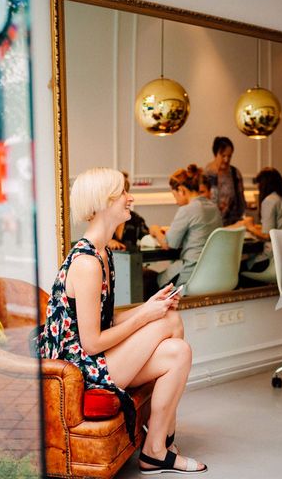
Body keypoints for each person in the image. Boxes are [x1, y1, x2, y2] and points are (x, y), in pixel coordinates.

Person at [36, 168, 207, 474]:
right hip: (78, 368)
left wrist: (151, 306)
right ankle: (160, 442)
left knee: (177, 347)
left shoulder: (102, 254)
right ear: (103, 202)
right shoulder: (87, 263)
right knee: (168, 322)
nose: (131, 198)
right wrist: (146, 314)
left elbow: (104, 318)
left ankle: (157, 446)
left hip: (91, 357)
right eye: (123, 193)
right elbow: (91, 342)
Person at [148, 164, 223, 288]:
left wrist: (155, 230)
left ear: (181, 190)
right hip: (213, 274)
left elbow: (169, 244)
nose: (175, 201)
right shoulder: (214, 208)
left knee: (147, 279)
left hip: (191, 274)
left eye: (175, 195)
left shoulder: (187, 210)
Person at [242, 167, 282, 271]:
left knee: (238, 267)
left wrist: (249, 227)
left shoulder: (269, 201)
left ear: (263, 184)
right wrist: (257, 227)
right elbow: (279, 226)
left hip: (272, 259)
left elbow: (267, 235)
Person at [205, 136, 247, 226]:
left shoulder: (235, 173)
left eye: (229, 156)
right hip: (210, 223)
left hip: (233, 223)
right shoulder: (206, 175)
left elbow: (241, 201)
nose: (226, 160)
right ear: (215, 154)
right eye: (223, 156)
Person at [107, 171, 149, 252]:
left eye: (126, 192)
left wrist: (156, 231)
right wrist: (107, 242)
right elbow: (93, 242)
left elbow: (147, 239)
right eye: (122, 194)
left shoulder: (135, 219)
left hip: (130, 263)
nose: (129, 198)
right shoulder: (102, 218)